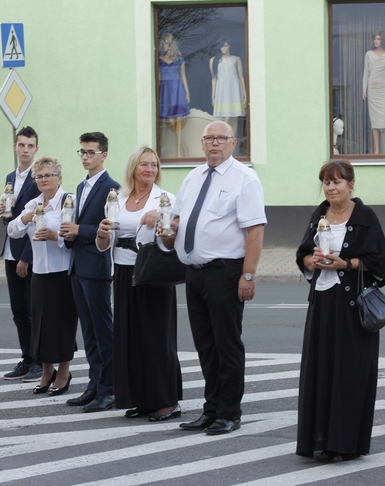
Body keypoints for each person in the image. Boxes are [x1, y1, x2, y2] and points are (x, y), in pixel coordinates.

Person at [161, 120, 266, 435]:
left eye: (222, 138)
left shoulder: (244, 178)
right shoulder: (193, 177)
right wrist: (168, 231)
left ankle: (229, 412)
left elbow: (255, 230)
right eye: (209, 138)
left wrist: (248, 274)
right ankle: (211, 409)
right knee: (205, 345)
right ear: (202, 143)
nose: (215, 143)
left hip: (225, 272)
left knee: (226, 345)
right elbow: (177, 221)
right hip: (193, 274)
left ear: (233, 143)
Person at [295, 160, 385, 462]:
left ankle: (344, 444)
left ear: (351, 184)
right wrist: (309, 261)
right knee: (320, 370)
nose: (331, 187)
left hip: (352, 309)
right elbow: (303, 253)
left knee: (349, 374)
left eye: (337, 181)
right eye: (326, 182)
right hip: (322, 303)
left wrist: (346, 264)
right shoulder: (318, 214)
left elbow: (380, 263)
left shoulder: (365, 216)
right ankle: (320, 439)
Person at [96, 146, 183, 422]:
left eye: (154, 165)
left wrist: (158, 215)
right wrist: (100, 235)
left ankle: (167, 402)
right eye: (144, 165)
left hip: (152, 272)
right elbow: (105, 242)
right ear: (133, 167)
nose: (150, 170)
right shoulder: (119, 198)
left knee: (157, 338)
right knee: (129, 337)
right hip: (122, 270)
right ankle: (141, 399)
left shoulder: (166, 198)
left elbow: (174, 231)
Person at [7, 157, 78, 396]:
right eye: (39, 176)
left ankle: (65, 372)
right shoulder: (33, 204)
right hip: (39, 272)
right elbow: (12, 231)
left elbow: (75, 236)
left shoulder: (69, 201)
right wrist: (25, 218)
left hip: (63, 272)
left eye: (48, 175)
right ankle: (47, 371)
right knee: (40, 325)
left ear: (59, 178)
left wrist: (55, 236)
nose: (43, 180)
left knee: (63, 324)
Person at [61, 132, 120, 413]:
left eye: (90, 152)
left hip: (96, 266)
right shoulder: (82, 187)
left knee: (102, 330)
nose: (85, 157)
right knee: (88, 331)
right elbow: (76, 222)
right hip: (77, 265)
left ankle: (109, 388)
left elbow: (110, 225)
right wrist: (68, 233)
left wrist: (79, 231)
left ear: (103, 155)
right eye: (82, 152)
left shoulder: (112, 188)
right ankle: (94, 384)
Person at [0, 126, 43, 383]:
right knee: (18, 310)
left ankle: (38, 359)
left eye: (30, 146)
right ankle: (26, 358)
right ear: (15, 147)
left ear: (36, 149)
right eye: (21, 145)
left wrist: (27, 256)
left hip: (27, 253)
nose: (25, 150)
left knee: (32, 308)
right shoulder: (9, 176)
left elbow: (39, 218)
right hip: (9, 249)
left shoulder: (39, 177)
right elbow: (10, 212)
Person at [362, 31, 385, 155]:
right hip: (372, 88)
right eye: (375, 39)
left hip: (384, 88)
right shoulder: (368, 54)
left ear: (384, 40)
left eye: (378, 39)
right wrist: (364, 89)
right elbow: (366, 73)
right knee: (374, 121)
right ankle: (377, 149)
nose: (376, 41)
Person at [158, 34, 191, 158]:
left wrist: (187, 92)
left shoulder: (179, 60)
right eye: (163, 44)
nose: (164, 46)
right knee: (171, 121)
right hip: (165, 90)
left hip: (177, 89)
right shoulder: (160, 60)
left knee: (177, 121)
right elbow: (159, 78)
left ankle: (178, 153)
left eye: (167, 43)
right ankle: (185, 147)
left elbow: (183, 76)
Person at [209, 40, 247, 139]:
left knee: (234, 117)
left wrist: (244, 93)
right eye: (221, 46)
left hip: (234, 90)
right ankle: (223, 138)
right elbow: (214, 78)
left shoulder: (236, 59)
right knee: (227, 116)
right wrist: (213, 96)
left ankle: (232, 144)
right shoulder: (214, 60)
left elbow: (241, 77)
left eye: (225, 46)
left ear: (229, 46)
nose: (223, 48)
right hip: (222, 91)